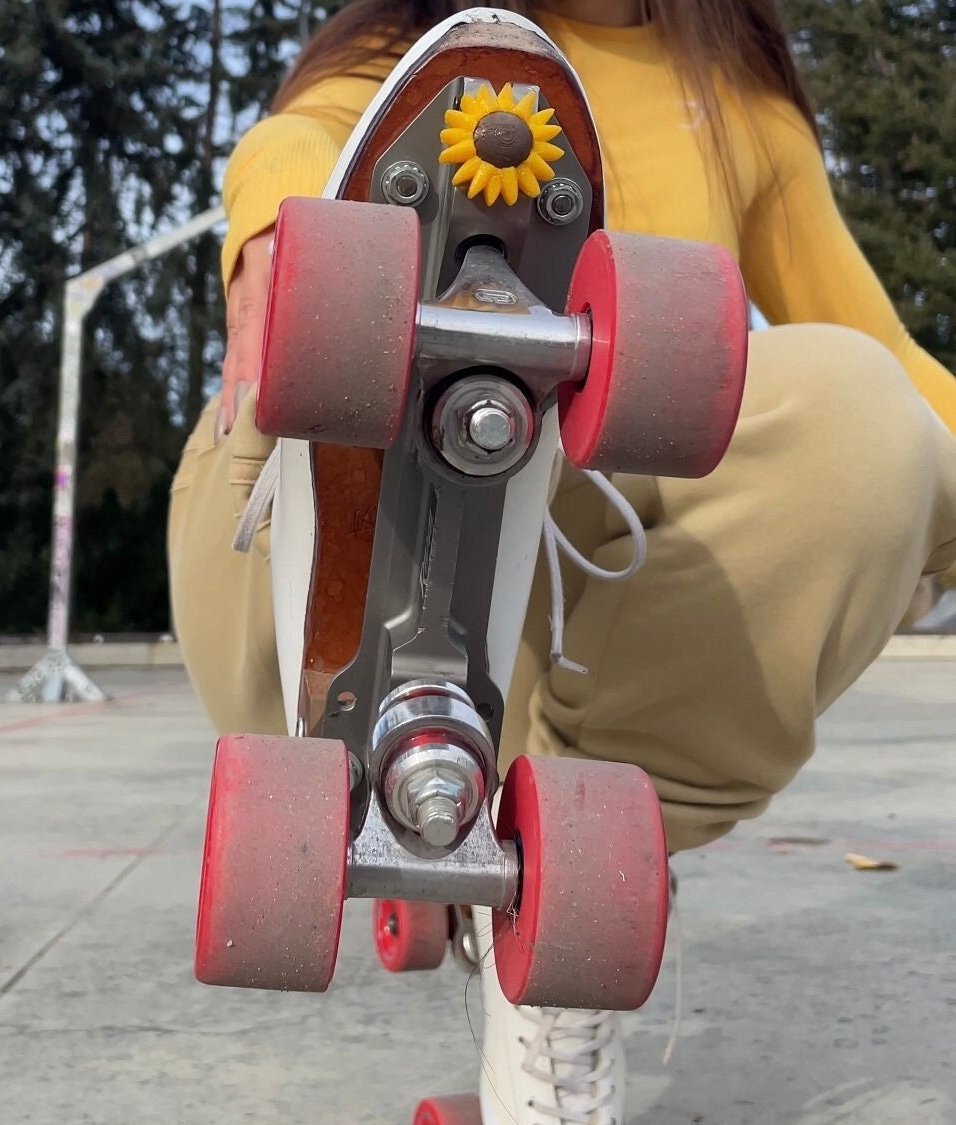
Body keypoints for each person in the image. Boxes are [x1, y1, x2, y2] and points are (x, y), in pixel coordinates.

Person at [169, 1, 956, 1121]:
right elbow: (306, 140)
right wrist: (276, 242)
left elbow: (888, 359)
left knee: (863, 424)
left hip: (588, 584)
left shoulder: (739, 100)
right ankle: (382, 740)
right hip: (297, 534)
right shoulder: (417, 40)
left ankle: (524, 896)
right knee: (355, 325)